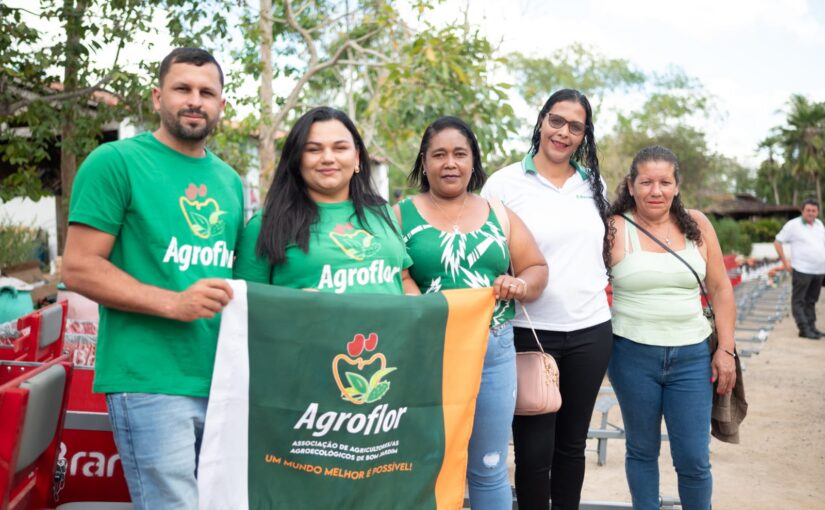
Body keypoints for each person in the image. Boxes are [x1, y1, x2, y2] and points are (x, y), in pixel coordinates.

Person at [62, 48, 244, 509]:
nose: (195, 101)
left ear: (222, 105)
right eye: (183, 88)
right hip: (149, 378)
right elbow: (79, 266)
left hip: (219, 379)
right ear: (157, 96)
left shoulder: (229, 180)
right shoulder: (115, 162)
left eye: (207, 92)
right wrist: (173, 303)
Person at [395, 116, 548, 509]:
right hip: (428, 352)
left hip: (493, 351)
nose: (450, 163)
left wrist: (522, 285)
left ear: (473, 162)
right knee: (424, 465)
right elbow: (394, 274)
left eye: (460, 154)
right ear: (424, 163)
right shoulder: (398, 216)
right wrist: (414, 296)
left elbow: (536, 268)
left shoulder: (498, 213)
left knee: (489, 466)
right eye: (439, 155)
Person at [481, 89, 613, 510]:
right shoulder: (503, 182)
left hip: (591, 331)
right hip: (527, 332)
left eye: (576, 126)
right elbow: (483, 250)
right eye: (557, 121)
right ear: (541, 121)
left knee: (573, 447)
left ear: (584, 135)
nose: (564, 132)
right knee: (534, 455)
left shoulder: (595, 183)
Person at [607, 145, 736, 510]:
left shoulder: (697, 225)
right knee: (642, 450)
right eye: (646, 182)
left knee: (694, 459)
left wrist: (725, 349)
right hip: (631, 355)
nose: (656, 190)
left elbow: (721, 288)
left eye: (665, 182)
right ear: (630, 185)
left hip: (693, 357)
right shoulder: (614, 228)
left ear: (677, 186)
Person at [233, 106, 413, 295]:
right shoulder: (266, 224)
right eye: (313, 149)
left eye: (340, 148)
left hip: (391, 326)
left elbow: (403, 279)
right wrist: (290, 310)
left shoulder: (381, 211)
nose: (328, 158)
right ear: (297, 159)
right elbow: (245, 307)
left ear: (357, 157)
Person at [774, 199, 825, 339]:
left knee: (811, 301)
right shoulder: (793, 225)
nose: (811, 213)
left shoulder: (819, 224)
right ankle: (803, 329)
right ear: (802, 211)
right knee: (799, 301)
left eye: (814, 210)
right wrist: (785, 263)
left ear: (818, 212)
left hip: (819, 271)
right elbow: (777, 242)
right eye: (808, 210)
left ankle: (812, 327)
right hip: (802, 269)